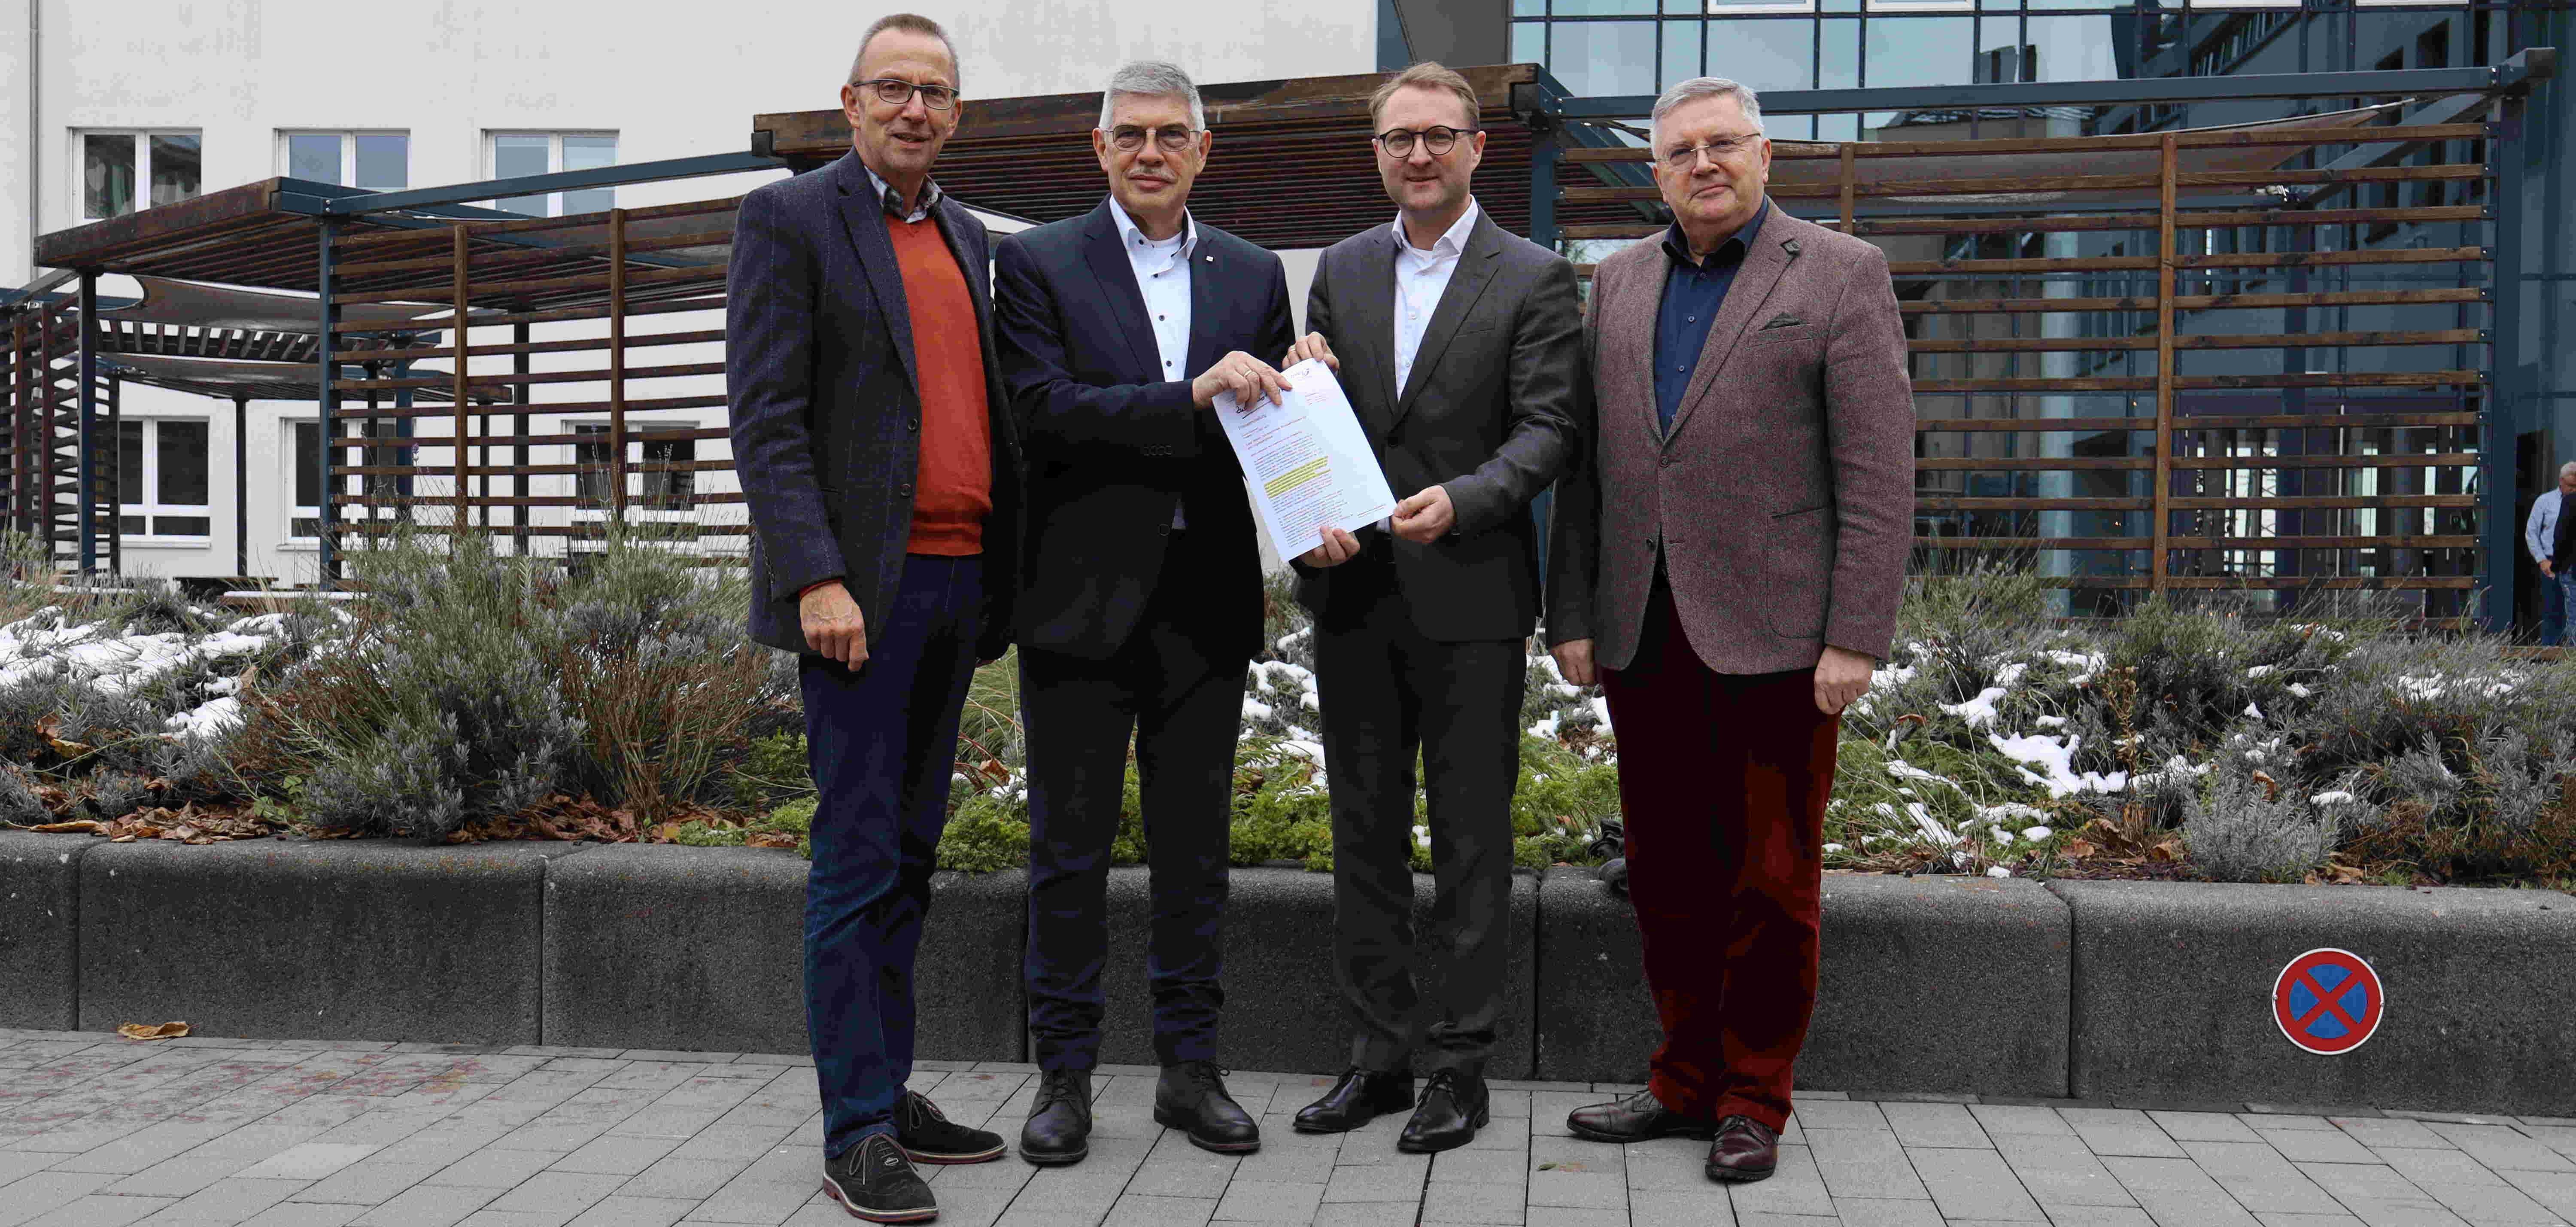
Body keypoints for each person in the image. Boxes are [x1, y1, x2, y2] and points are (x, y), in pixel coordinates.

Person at [1543, 76, 1912, 1184]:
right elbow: (1589, 465)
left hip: (1782, 635)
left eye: (1722, 144)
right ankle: (1682, 1077)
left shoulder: (1841, 273)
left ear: (1765, 155)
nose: (1702, 165)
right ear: (1656, 172)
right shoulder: (1617, 282)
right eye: (1680, 152)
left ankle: (1754, 1095)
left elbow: (1878, 470)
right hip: (1642, 627)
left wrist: (1856, 634)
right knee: (1665, 872)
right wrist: (1573, 613)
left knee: (1772, 877)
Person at [725, 13, 1017, 1222]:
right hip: (858, 598)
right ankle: (854, 1129)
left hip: (957, 584)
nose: (914, 108)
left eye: (935, 92)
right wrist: (814, 577)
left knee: (912, 857)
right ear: (850, 104)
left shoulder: (967, 235)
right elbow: (766, 415)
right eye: (892, 88)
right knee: (854, 863)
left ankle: (888, 1093)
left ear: (956, 114)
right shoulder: (790, 220)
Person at [991, 60, 1296, 1166]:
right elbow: (1042, 412)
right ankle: (1063, 1077)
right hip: (1078, 600)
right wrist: (1191, 396)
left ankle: (1188, 1071)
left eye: (1172, 134)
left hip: (1203, 601)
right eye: (1132, 135)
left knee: (1194, 854)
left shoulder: (1254, 272)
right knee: (1067, 852)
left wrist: (1306, 391)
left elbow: (1273, 426)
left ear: (1204, 150)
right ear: (1101, 148)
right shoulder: (1038, 263)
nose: (1152, 152)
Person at [1277, 61, 1582, 1154]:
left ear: (1476, 147)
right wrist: (1302, 376)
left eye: (1438, 135)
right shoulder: (1342, 269)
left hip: (1472, 594)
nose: (1418, 154)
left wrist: (1469, 499)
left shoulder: (1535, 277)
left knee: (1469, 841)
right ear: (1377, 153)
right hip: (1355, 592)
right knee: (1361, 836)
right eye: (1398, 138)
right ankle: (1377, 1057)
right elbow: (1322, 422)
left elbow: (1551, 428)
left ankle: (1459, 1065)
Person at [2526, 462, 2576, 645]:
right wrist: (2542, 561)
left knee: (2573, 613)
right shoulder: (2545, 501)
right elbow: (2532, 533)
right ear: (2561, 481)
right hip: (2551, 563)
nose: (2573, 490)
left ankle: (2570, 654)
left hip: (2572, 563)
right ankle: (2550, 654)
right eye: (2571, 486)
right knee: (2553, 611)